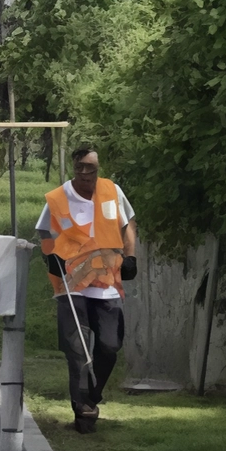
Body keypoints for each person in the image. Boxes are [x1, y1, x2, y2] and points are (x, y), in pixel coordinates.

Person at [37, 147, 138, 433]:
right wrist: (50, 257)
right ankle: (83, 412)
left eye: (90, 167)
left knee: (109, 346)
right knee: (77, 350)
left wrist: (130, 257)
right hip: (72, 285)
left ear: (98, 167)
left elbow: (128, 223)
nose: (85, 173)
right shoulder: (58, 198)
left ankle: (92, 396)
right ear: (73, 166)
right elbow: (45, 232)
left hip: (107, 283)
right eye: (80, 166)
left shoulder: (112, 191)